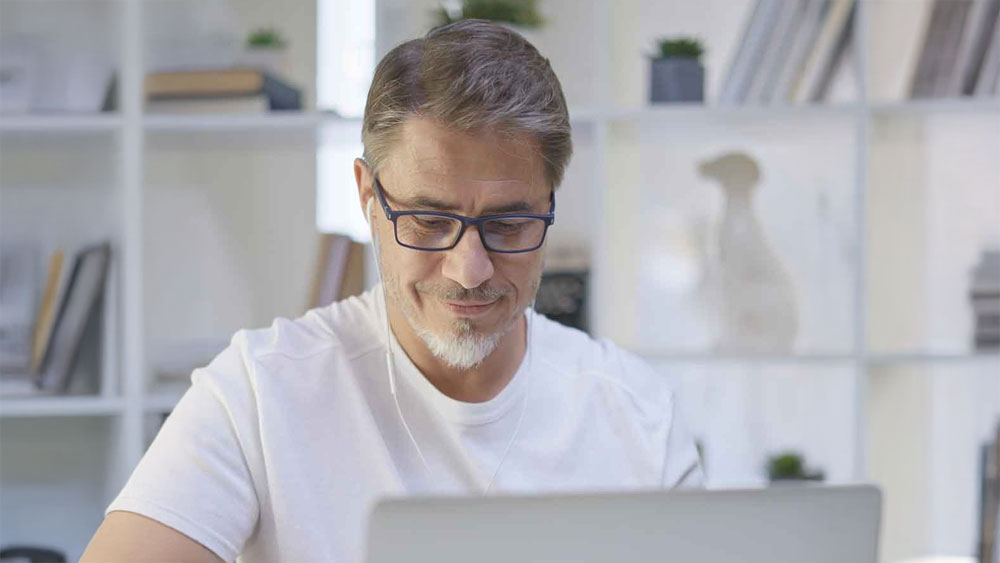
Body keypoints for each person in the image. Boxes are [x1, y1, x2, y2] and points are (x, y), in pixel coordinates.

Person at [82, 19, 703, 563]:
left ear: (550, 206)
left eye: (508, 225)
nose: (469, 270)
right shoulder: (260, 392)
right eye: (430, 222)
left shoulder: (638, 414)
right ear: (367, 198)